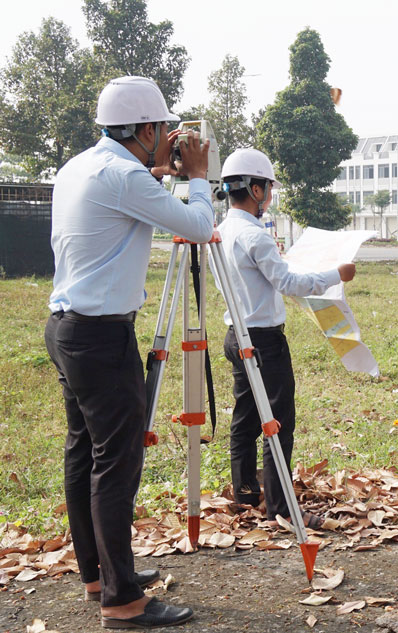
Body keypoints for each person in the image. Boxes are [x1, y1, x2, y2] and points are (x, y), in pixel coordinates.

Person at [45, 76, 212, 628]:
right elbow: (199, 225)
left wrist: (161, 172)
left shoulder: (81, 167)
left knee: (84, 455)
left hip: (67, 330)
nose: (169, 138)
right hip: (101, 337)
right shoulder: (124, 177)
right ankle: (123, 599)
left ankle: (97, 574)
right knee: (116, 464)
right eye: (164, 130)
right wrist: (198, 177)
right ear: (145, 129)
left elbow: (129, 188)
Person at [216, 148, 355, 530]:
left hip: (236, 334)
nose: (271, 196)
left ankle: (245, 493)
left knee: (244, 417)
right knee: (278, 423)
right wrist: (335, 274)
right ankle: (279, 509)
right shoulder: (255, 236)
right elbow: (289, 284)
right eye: (269, 188)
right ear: (256, 189)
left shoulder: (222, 231)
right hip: (263, 341)